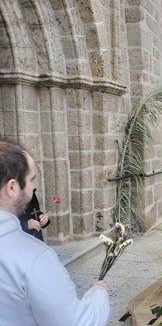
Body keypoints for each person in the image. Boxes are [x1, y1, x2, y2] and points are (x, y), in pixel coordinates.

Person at [0, 139, 110, 326]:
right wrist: (99, 293)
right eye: (31, 179)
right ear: (12, 187)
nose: (33, 187)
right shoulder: (34, 258)